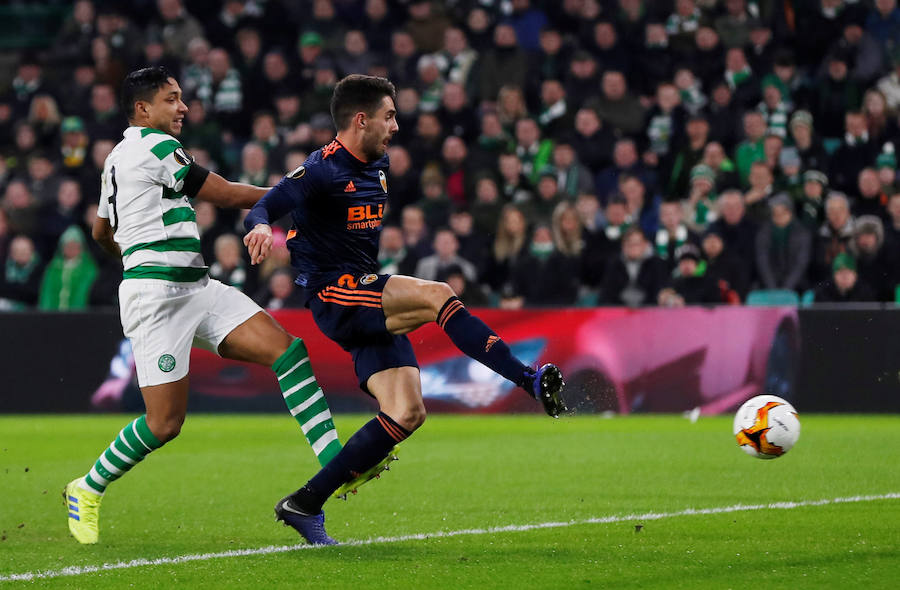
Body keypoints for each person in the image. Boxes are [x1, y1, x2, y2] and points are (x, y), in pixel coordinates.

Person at [243, 74, 566, 545]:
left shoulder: (379, 163)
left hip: (365, 292)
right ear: (361, 119)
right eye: (389, 115)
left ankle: (304, 503)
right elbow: (266, 206)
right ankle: (528, 379)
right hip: (335, 294)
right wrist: (257, 229)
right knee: (438, 294)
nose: (396, 125)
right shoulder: (321, 170)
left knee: (408, 412)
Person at [64, 67, 345, 546]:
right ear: (142, 109)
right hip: (156, 300)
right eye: (172, 99)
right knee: (164, 423)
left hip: (197, 288)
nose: (183, 108)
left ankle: (338, 462)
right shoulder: (154, 146)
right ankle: (86, 487)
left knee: (288, 351)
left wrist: (132, 253)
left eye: (182, 98)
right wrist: (301, 195)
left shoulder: (116, 157)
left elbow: (99, 232)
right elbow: (227, 194)